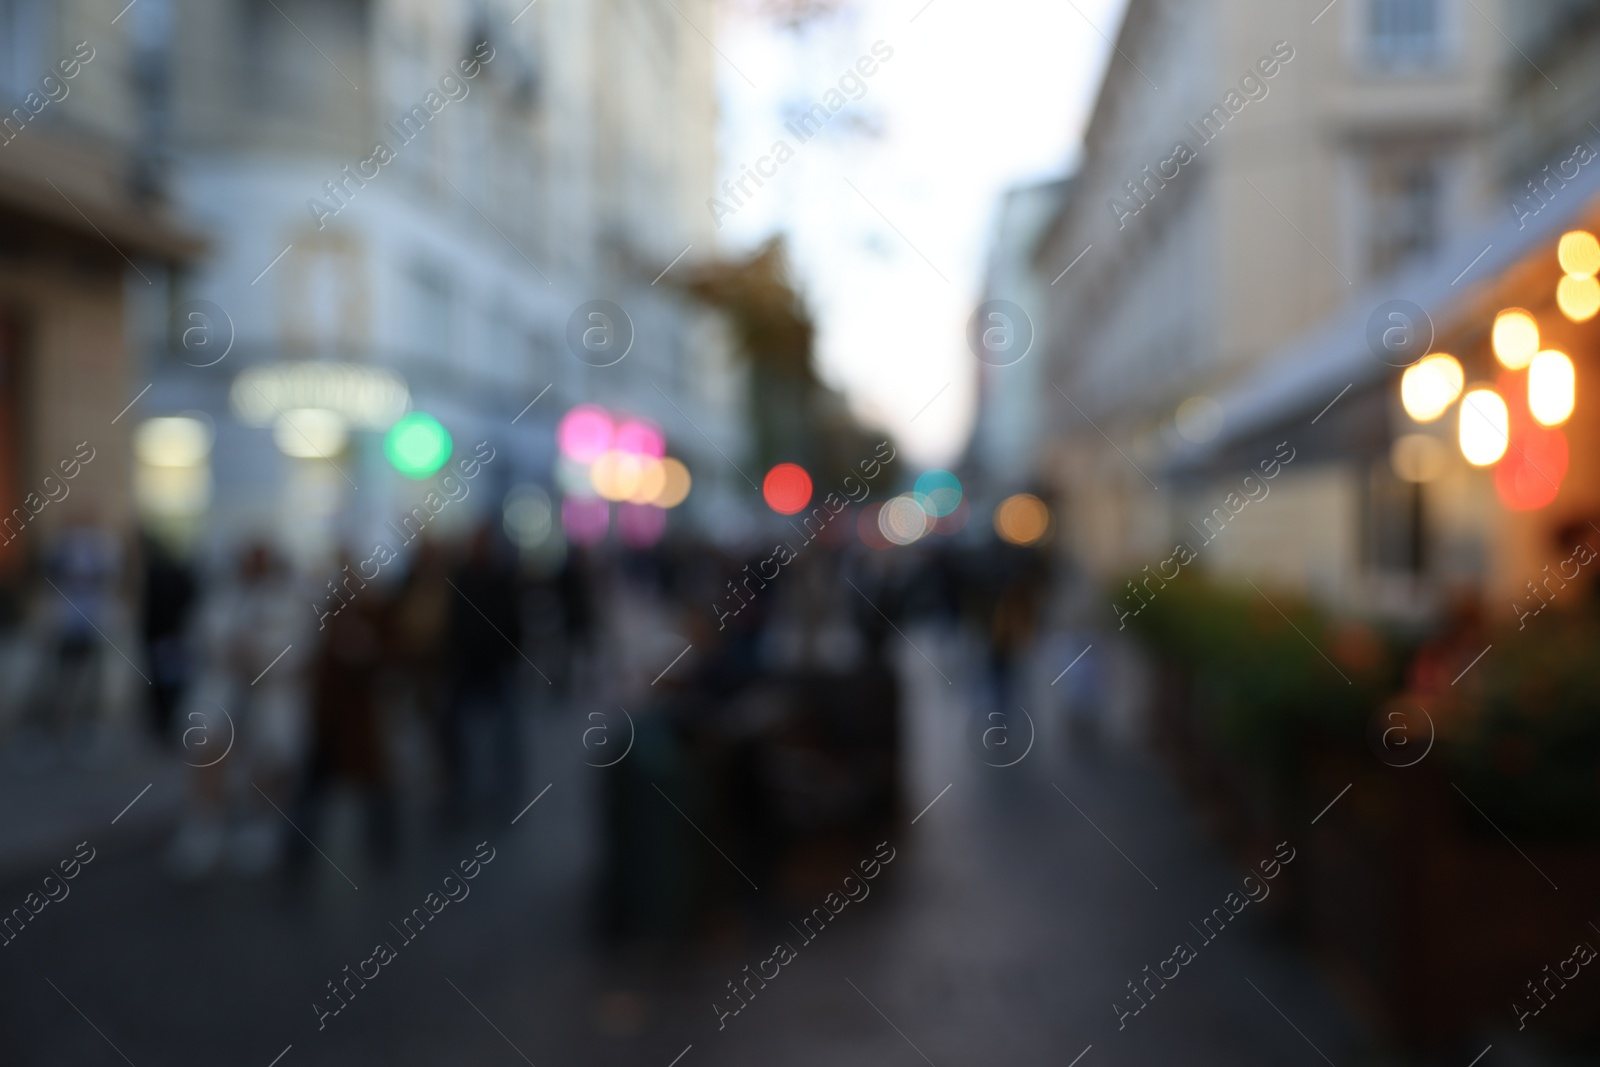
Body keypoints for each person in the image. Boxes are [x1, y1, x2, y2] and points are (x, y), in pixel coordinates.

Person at [443, 525, 525, 821]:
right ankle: (465, 797)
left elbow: (513, 625)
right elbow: (454, 623)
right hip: (468, 670)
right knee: (463, 739)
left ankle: (504, 798)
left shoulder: (501, 579)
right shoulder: (462, 579)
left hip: (496, 670)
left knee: (504, 739)